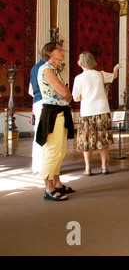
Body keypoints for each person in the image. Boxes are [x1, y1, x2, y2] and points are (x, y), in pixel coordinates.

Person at [36, 42, 74, 201]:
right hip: (52, 113)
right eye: (59, 49)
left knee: (60, 151)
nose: (62, 51)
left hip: (60, 111)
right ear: (50, 53)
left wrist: (66, 94)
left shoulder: (54, 70)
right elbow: (64, 92)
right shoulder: (46, 69)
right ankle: (48, 188)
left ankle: (57, 183)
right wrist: (65, 93)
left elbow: (68, 95)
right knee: (53, 151)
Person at [72, 52, 121, 176]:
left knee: (86, 141)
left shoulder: (79, 78)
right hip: (102, 110)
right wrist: (115, 69)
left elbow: (76, 98)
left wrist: (85, 95)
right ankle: (104, 167)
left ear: (81, 63)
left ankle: (88, 169)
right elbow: (114, 76)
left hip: (87, 111)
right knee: (102, 140)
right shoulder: (100, 74)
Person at [28, 47, 46, 175]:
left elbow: (30, 91)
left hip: (37, 102)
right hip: (46, 103)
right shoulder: (46, 68)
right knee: (46, 135)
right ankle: (46, 167)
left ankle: (37, 166)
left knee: (38, 135)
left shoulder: (34, 68)